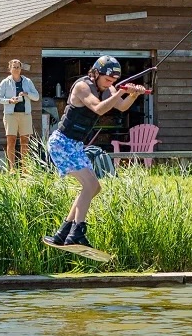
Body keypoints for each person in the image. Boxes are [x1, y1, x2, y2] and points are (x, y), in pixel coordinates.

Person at [43, 55, 147, 248]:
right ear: (96, 73)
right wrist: (118, 92)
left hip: (75, 145)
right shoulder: (83, 87)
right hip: (61, 143)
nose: (111, 84)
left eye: (114, 81)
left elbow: (122, 107)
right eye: (108, 80)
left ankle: (63, 232)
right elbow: (99, 109)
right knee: (90, 186)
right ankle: (77, 233)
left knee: (94, 187)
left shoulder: (107, 87)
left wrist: (133, 94)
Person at [0, 59, 40, 169]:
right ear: (10, 69)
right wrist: (10, 101)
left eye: (18, 67)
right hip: (10, 115)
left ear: (21, 69)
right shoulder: (5, 82)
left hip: (25, 114)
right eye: (14, 67)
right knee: (11, 140)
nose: (16, 69)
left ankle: (25, 168)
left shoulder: (27, 81)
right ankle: (12, 168)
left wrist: (26, 93)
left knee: (25, 141)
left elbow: (36, 97)